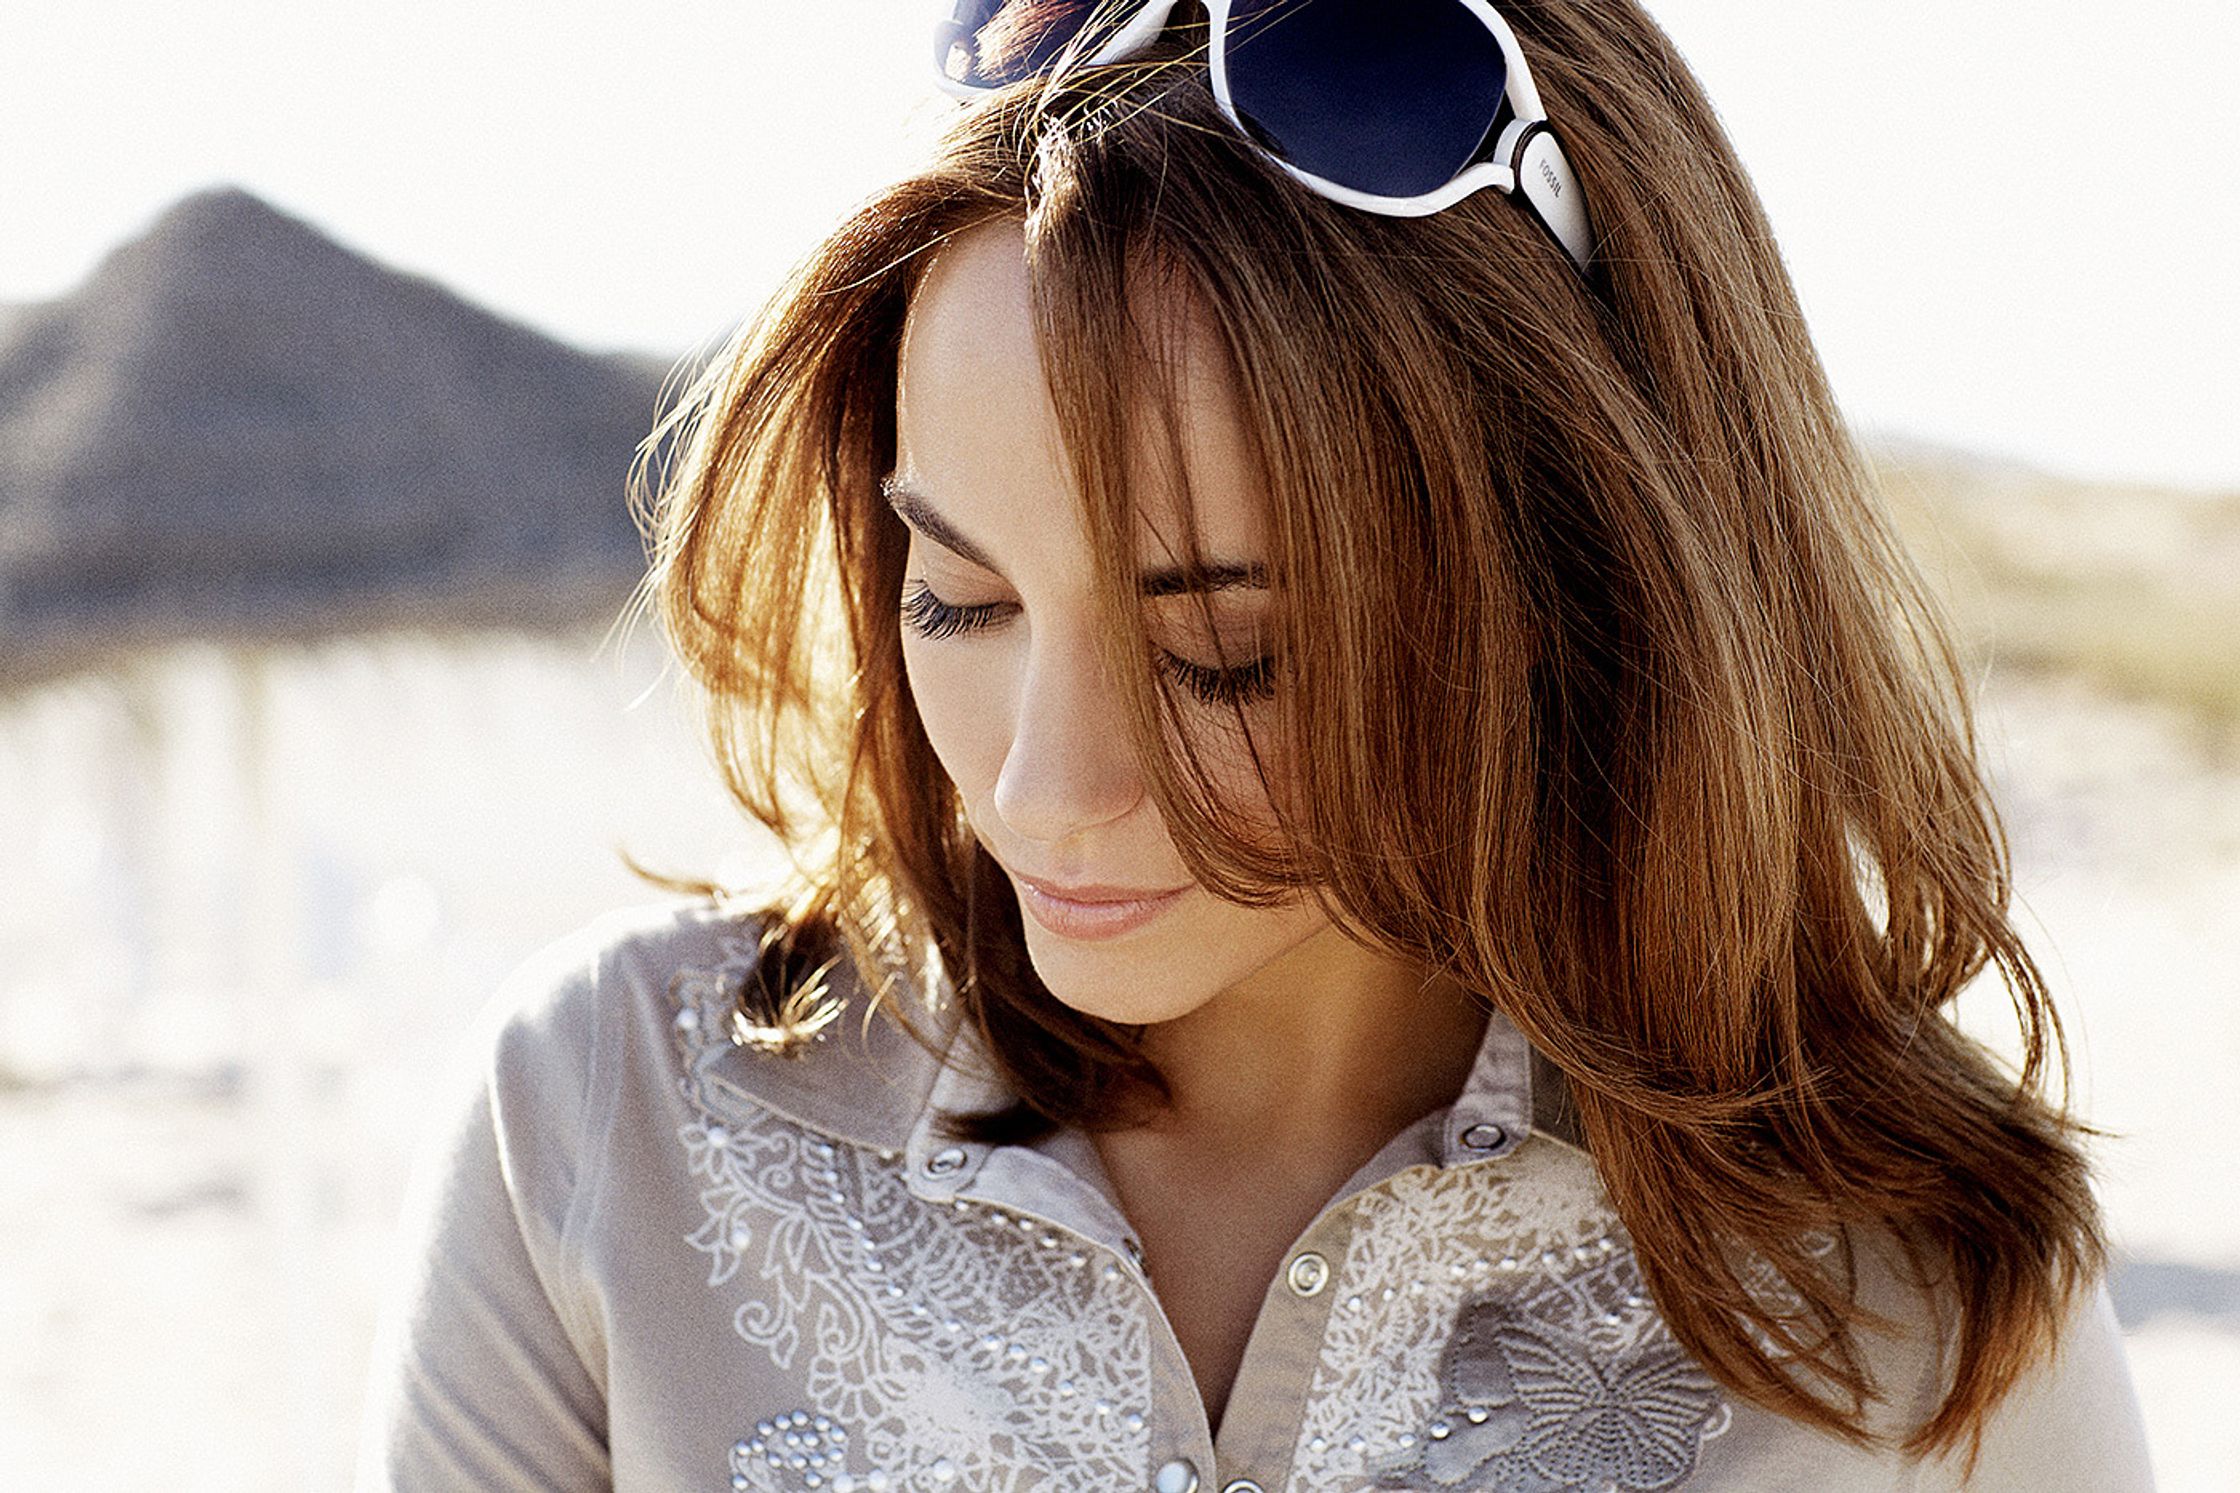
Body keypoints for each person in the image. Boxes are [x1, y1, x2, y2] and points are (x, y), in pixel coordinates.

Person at [356, 3, 2157, 1489]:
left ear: (1580, 589)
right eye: (961, 601)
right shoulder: (618, 1107)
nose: (1041, 785)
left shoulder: (1927, 1277)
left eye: (1226, 655)